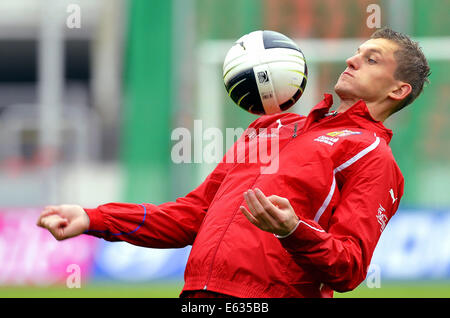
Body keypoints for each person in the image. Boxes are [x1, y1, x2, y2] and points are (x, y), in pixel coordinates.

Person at [37, 27, 430, 298]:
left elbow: (349, 266)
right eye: (357, 51)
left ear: (399, 89)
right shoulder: (272, 127)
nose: (352, 59)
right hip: (197, 294)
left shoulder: (371, 156)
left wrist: (295, 231)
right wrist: (93, 219)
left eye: (371, 58)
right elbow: (192, 215)